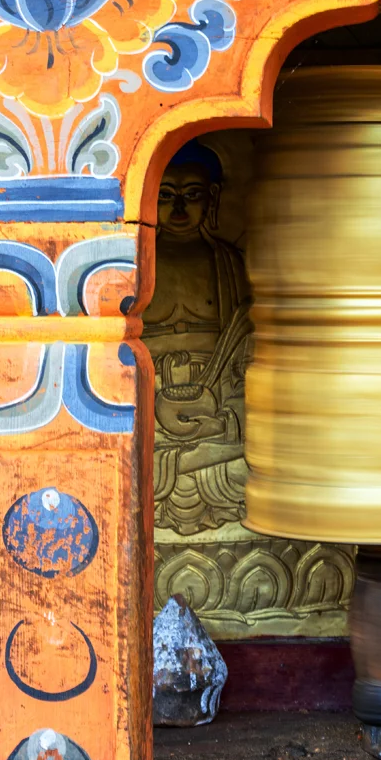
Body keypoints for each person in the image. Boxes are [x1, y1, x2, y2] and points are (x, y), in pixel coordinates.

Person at [143, 140, 251, 535]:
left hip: (215, 403)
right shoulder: (130, 260)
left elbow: (246, 346)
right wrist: (154, 399)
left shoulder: (229, 262)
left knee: (252, 462)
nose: (177, 209)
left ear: (213, 197)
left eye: (191, 195)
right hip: (147, 400)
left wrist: (218, 406)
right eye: (165, 196)